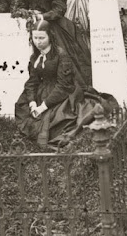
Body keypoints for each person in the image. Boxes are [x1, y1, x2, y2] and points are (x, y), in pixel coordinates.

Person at [15, 20, 118, 148]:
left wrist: (43, 106)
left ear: (50, 37)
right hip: (43, 90)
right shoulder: (35, 57)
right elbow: (32, 82)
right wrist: (32, 102)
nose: (38, 42)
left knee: (59, 119)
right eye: (35, 38)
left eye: (41, 38)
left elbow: (63, 86)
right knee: (24, 109)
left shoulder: (61, 55)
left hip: (63, 92)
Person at [13, 0, 92, 85]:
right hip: (32, 28)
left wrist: (41, 16)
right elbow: (17, 6)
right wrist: (26, 13)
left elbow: (59, 9)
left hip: (54, 27)